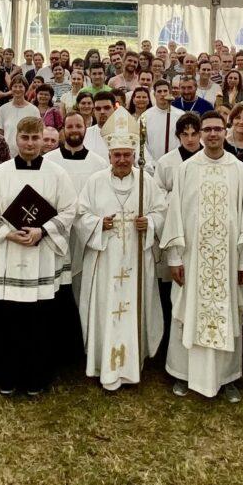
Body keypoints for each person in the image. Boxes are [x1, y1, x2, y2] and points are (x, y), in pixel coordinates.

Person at [161, 110, 243, 400]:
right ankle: (183, 373)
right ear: (201, 133)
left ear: (226, 131)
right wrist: (175, 259)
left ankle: (226, 376)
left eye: (218, 129)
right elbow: (176, 215)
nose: (213, 134)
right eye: (208, 129)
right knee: (188, 310)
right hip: (193, 259)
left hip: (228, 260)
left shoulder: (239, 170)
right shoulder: (187, 169)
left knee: (227, 311)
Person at [0, 117, 76, 397]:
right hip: (9, 256)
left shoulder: (57, 174)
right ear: (15, 139)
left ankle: (37, 377)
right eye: (25, 138)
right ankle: (6, 377)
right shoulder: (0, 173)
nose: (30, 144)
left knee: (39, 321)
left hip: (41, 256)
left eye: (35, 138)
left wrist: (41, 231)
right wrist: (8, 234)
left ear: (44, 139)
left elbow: (70, 209)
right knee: (7, 320)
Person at [74, 109, 169, 391]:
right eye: (117, 155)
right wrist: (97, 223)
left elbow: (162, 212)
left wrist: (149, 222)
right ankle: (104, 363)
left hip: (136, 257)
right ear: (110, 156)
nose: (123, 160)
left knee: (133, 306)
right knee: (107, 307)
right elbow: (81, 216)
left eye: (127, 154)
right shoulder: (95, 182)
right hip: (105, 258)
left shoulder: (146, 182)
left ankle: (132, 362)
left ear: (133, 154)